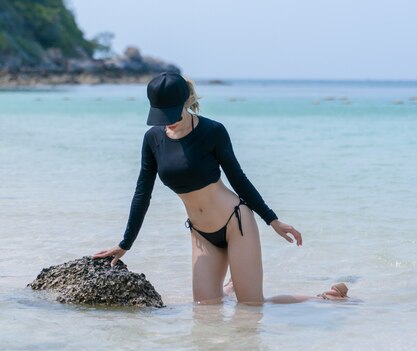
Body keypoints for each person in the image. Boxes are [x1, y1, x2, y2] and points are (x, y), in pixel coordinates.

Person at [93, 72, 349, 305]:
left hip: (235, 224)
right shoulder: (153, 139)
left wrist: (273, 220)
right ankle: (232, 287)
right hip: (201, 234)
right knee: (206, 308)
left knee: (253, 306)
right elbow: (142, 193)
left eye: (171, 114)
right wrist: (125, 244)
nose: (166, 122)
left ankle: (326, 298)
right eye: (161, 115)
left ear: (185, 103)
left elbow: (238, 179)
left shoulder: (212, 131)